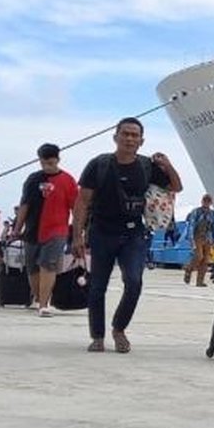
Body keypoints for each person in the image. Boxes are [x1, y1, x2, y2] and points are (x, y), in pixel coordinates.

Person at [73, 118, 182, 353]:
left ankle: (119, 328)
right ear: (116, 137)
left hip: (133, 233)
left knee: (134, 282)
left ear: (141, 141)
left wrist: (167, 164)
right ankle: (97, 336)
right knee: (97, 286)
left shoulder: (145, 166)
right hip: (101, 231)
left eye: (135, 135)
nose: (130, 139)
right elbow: (82, 201)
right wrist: (77, 235)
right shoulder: (98, 165)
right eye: (125, 134)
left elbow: (175, 186)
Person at [13, 144, 78, 318]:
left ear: (57, 159)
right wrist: (17, 229)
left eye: (50, 162)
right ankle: (38, 297)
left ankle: (44, 304)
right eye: (43, 163)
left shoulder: (68, 180)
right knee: (32, 267)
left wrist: (79, 230)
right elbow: (24, 205)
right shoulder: (33, 179)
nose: (47, 166)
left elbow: (76, 207)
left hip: (57, 230)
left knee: (48, 264)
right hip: (33, 229)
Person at [183, 194, 214, 286]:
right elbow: (191, 225)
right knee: (199, 256)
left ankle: (200, 281)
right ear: (202, 201)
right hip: (197, 236)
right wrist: (191, 239)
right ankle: (189, 269)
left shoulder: (213, 214)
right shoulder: (196, 212)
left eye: (208, 201)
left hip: (208, 238)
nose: (206, 202)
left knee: (205, 260)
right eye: (205, 200)